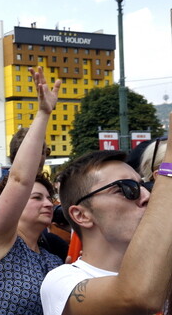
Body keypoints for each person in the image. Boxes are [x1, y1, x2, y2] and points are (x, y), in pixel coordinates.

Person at [40, 128, 172, 315]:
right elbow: (137, 295)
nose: (147, 196)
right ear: (81, 215)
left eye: (144, 186)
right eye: (127, 188)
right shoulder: (62, 282)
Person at [0, 67, 62, 315]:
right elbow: (19, 181)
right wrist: (44, 113)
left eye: (48, 198)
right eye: (36, 197)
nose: (48, 204)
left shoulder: (53, 257)